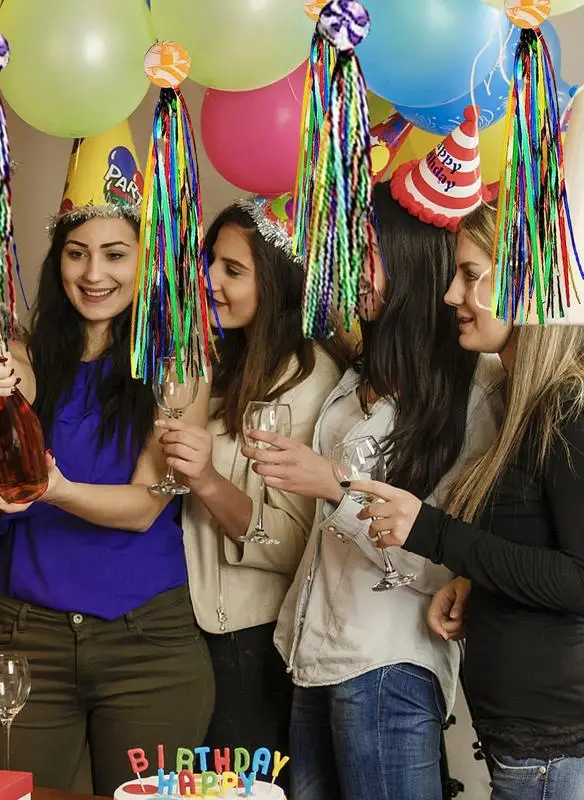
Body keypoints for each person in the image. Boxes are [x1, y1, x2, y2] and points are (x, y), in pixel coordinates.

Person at [249, 118, 506, 800]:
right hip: (311, 657)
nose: (350, 272)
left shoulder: (470, 393)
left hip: (387, 669)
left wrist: (335, 486)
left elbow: (448, 564)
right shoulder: (360, 373)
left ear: (413, 262)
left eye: (365, 255)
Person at [0, 123, 214, 795]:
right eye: (77, 254)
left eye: (114, 254)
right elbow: (9, 376)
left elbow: (143, 509)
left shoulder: (178, 364)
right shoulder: (29, 350)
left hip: (148, 645)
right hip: (27, 638)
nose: (94, 274)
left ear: (146, 259)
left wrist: (51, 489)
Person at [353, 92, 584, 799]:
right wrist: (475, 581)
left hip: (556, 752)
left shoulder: (568, 408)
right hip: (528, 746)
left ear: (522, 277)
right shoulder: (520, 402)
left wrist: (432, 533)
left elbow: (580, 579)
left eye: (471, 275)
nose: (453, 294)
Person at [156, 195, 342, 767]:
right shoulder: (211, 357)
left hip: (246, 642)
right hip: (177, 633)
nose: (210, 279)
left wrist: (207, 480)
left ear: (278, 284)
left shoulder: (308, 380)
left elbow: (287, 544)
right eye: (212, 260)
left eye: (233, 270)